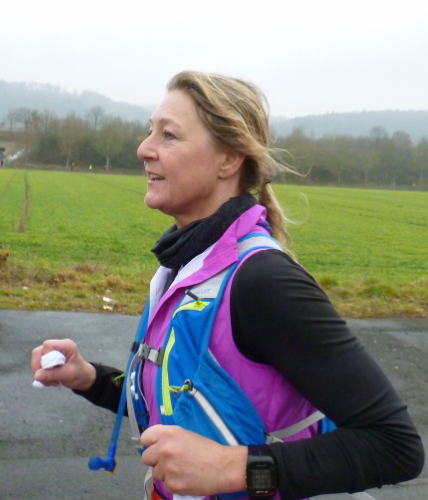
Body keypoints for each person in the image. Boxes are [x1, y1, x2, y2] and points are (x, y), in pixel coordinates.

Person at [31, 71, 424, 500]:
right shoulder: (183, 268)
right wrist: (87, 377)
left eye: (168, 135)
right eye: (150, 131)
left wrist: (233, 467)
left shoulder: (263, 282)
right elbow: (180, 402)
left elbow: (394, 447)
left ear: (229, 160)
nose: (144, 149)